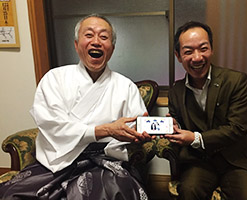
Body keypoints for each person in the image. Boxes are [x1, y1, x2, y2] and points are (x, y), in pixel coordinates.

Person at [0, 14, 151, 200]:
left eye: (104, 37)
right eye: (89, 35)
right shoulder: (54, 78)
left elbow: (134, 125)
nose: (96, 42)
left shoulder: (126, 86)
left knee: (109, 192)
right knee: (12, 194)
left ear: (112, 48)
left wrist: (141, 131)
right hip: (57, 160)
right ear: (76, 44)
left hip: (104, 162)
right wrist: (104, 130)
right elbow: (51, 125)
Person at [164, 21, 247, 200]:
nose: (197, 57)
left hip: (237, 160)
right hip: (199, 161)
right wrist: (175, 126)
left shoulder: (236, 81)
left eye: (203, 48)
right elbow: (179, 122)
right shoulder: (176, 91)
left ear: (212, 49)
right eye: (188, 51)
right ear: (178, 56)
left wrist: (195, 138)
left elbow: (237, 128)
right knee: (189, 191)